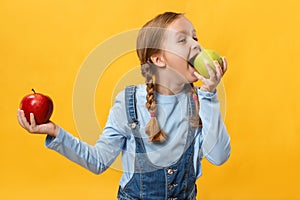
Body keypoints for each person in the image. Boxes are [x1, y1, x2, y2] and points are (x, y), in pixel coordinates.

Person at [17, 11, 231, 200]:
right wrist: (55, 132)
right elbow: (99, 161)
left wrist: (209, 94)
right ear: (158, 59)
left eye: (195, 37)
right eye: (183, 40)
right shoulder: (130, 103)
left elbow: (219, 156)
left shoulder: (201, 101)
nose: (196, 45)